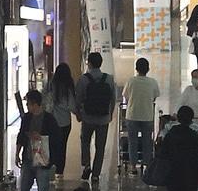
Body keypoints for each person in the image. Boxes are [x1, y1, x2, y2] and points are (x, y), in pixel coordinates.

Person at [16, 91, 58, 191]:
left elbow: (56, 140)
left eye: (28, 103)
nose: (27, 106)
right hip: (28, 159)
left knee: (43, 190)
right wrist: (17, 153)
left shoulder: (49, 119)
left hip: (42, 161)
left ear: (35, 104)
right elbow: (21, 136)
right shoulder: (27, 118)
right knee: (23, 188)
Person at [75, 52, 119, 182]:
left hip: (88, 117)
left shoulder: (84, 79)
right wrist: (110, 114)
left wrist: (79, 113)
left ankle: (86, 165)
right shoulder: (109, 79)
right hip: (103, 119)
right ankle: (96, 174)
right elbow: (113, 98)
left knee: (85, 142)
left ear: (89, 63)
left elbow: (78, 98)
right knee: (100, 146)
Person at [120, 57, 161, 175]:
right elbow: (154, 96)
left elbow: (126, 96)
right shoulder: (152, 82)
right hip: (147, 115)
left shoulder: (131, 81)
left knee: (132, 141)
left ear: (136, 69)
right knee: (147, 141)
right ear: (148, 69)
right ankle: (146, 165)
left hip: (132, 115)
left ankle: (133, 166)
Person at [44, 64, 77, 178]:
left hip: (52, 122)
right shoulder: (68, 87)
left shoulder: (51, 85)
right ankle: (59, 171)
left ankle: (50, 167)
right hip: (65, 123)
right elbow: (72, 106)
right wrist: (78, 114)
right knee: (62, 147)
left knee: (51, 146)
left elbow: (46, 103)